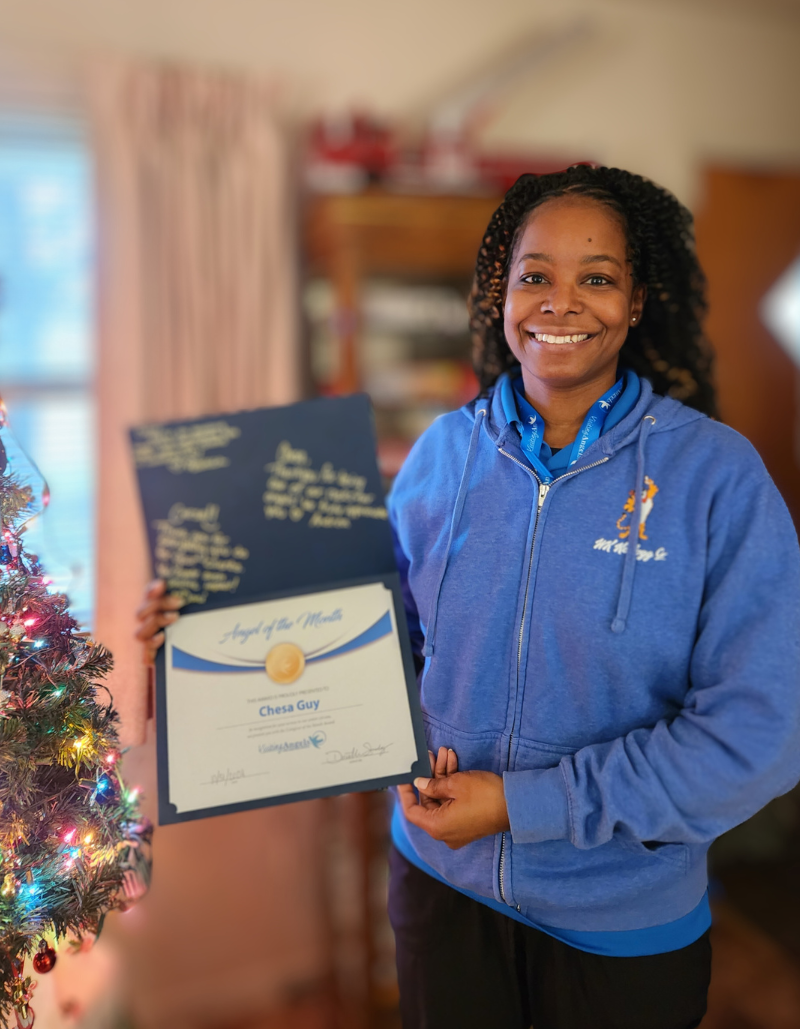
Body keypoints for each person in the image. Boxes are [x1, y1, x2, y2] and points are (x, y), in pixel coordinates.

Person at [135, 165, 800, 1029]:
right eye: (535, 276)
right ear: (501, 295)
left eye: (596, 278)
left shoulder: (716, 477)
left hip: (619, 930)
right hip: (439, 889)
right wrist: (208, 625)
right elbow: (369, 643)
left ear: (636, 303)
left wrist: (527, 805)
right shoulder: (442, 454)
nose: (560, 302)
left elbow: (758, 736)